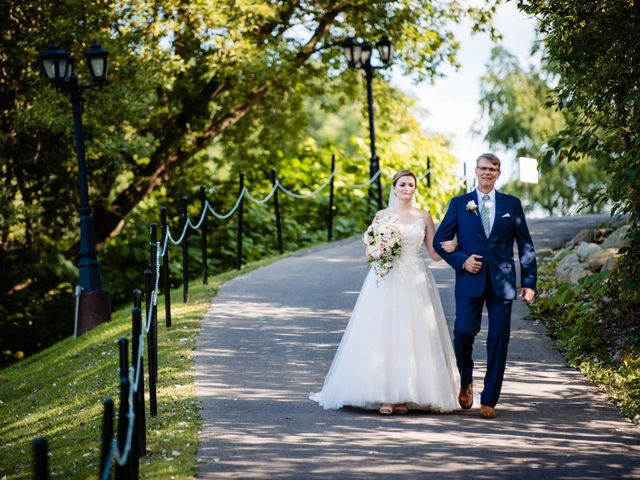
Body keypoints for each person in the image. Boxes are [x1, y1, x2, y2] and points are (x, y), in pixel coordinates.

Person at [310, 170, 460, 415]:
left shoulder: (424, 216)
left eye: (411, 185)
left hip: (415, 281)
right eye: (403, 184)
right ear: (394, 187)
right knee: (384, 332)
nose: (407, 188)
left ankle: (404, 396)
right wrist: (381, 249)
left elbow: (433, 254)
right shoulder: (382, 216)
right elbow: (368, 254)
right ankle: (385, 396)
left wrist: (454, 245)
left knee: (413, 334)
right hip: (386, 279)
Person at [433, 153, 537, 419]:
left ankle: (489, 399)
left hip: (502, 281)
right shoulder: (460, 204)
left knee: (498, 340)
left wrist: (528, 283)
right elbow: (439, 241)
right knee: (463, 333)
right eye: (482, 168)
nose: (487, 173)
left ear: (498, 173)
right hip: (469, 279)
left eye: (492, 169)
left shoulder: (511, 204)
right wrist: (461, 260)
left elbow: (524, 245)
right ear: (475, 172)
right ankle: (466, 380)